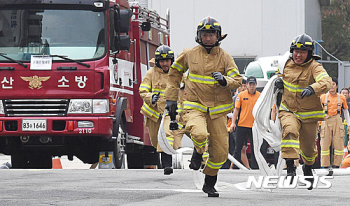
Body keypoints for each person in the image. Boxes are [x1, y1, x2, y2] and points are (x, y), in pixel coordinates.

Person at [164, 16, 242, 197]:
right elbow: (175, 73)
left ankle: (209, 182)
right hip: (194, 105)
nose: (208, 38)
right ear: (199, 36)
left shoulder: (225, 58)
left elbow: (237, 79)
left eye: (211, 35)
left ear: (218, 36)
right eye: (204, 34)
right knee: (199, 133)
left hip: (217, 111)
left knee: (221, 153)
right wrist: (171, 99)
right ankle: (198, 153)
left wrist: (225, 80)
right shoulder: (190, 54)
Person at [274, 33, 332, 190]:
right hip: (288, 110)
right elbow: (278, 76)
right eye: (295, 51)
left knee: (308, 149)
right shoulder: (286, 63)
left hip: (308, 115)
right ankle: (291, 168)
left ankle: (307, 167)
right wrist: (278, 82)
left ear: (309, 54)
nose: (298, 55)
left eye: (302, 52)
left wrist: (312, 88)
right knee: (290, 131)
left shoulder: (315, 66)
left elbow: (326, 82)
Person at [139, 45, 175, 175]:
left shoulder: (176, 74)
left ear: (172, 60)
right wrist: (150, 97)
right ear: (158, 62)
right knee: (155, 141)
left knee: (166, 135)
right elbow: (142, 90)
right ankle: (163, 163)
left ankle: (167, 165)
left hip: (169, 113)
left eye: (167, 61)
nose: (165, 64)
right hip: (153, 114)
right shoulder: (150, 74)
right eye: (162, 61)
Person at [230, 76, 268, 169]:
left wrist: (265, 124)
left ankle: (255, 167)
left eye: (253, 84)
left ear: (256, 85)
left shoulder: (260, 96)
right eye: (250, 84)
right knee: (238, 147)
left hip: (254, 126)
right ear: (246, 85)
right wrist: (233, 123)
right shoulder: (241, 95)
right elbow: (236, 110)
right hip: (242, 125)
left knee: (255, 148)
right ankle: (235, 166)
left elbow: (264, 111)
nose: (252, 86)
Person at [320, 77, 350, 168]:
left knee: (338, 143)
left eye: (333, 84)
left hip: (337, 119)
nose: (331, 86)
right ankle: (325, 165)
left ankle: (337, 164)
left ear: (336, 86)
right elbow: (319, 111)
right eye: (329, 84)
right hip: (325, 120)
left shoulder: (341, 97)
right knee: (325, 143)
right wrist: (318, 123)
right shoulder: (323, 97)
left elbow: (345, 111)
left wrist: (348, 124)